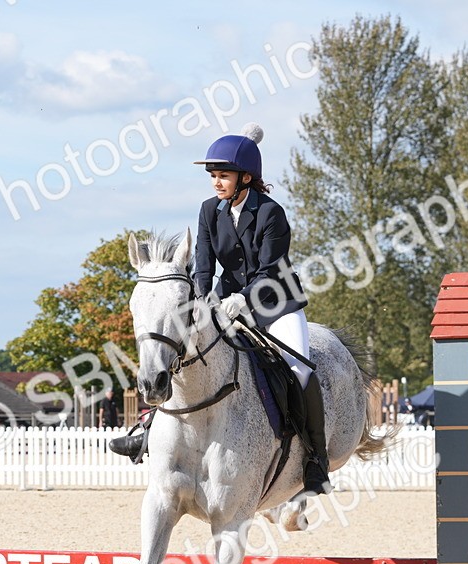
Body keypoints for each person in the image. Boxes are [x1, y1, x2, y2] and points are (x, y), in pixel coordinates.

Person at [110, 123, 329, 495]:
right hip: (224, 302)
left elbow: (271, 268)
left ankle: (315, 460)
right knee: (180, 356)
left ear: (246, 178)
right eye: (213, 176)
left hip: (275, 303)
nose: (216, 182)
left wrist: (243, 298)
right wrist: (198, 301)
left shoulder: (271, 214)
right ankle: (146, 431)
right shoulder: (209, 211)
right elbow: (204, 264)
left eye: (223, 175)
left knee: (299, 369)